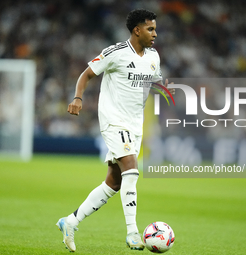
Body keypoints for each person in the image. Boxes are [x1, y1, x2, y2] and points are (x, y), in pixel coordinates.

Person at [56, 9, 168, 252]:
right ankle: (133, 233)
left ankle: (70, 222)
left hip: (134, 125)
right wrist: (77, 98)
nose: (155, 34)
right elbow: (86, 74)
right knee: (131, 169)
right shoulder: (115, 53)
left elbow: (156, 83)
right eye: (150, 29)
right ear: (137, 30)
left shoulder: (153, 57)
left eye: (155, 29)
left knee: (114, 182)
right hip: (113, 121)